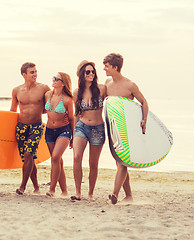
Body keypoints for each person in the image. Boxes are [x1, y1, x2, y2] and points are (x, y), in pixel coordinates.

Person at [103, 53, 149, 204]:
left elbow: (143, 102)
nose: (104, 69)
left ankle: (114, 193)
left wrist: (144, 120)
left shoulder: (130, 85)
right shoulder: (108, 83)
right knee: (119, 162)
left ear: (115, 67)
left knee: (122, 162)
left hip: (128, 129)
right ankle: (128, 196)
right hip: (113, 128)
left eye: (107, 66)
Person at [10, 62, 50, 195]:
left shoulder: (44, 88)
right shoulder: (16, 90)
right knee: (29, 158)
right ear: (24, 74)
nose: (35, 74)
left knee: (28, 154)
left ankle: (22, 187)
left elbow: (49, 106)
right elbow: (12, 110)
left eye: (36, 71)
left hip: (36, 127)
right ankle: (36, 187)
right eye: (32, 72)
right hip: (21, 127)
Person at [71, 60, 106, 201]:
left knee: (93, 163)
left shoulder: (102, 89)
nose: (91, 74)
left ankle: (90, 193)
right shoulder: (76, 92)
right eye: (87, 72)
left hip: (98, 128)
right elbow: (75, 113)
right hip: (81, 127)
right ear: (82, 74)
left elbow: (114, 102)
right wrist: (73, 134)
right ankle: (78, 192)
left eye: (93, 71)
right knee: (76, 157)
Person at [44, 72, 74, 197]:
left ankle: (52, 189)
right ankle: (64, 191)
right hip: (49, 131)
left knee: (55, 158)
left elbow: (72, 119)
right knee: (58, 161)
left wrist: (72, 137)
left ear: (63, 83)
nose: (54, 80)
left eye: (57, 79)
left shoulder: (67, 100)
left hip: (64, 130)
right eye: (53, 78)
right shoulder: (47, 95)